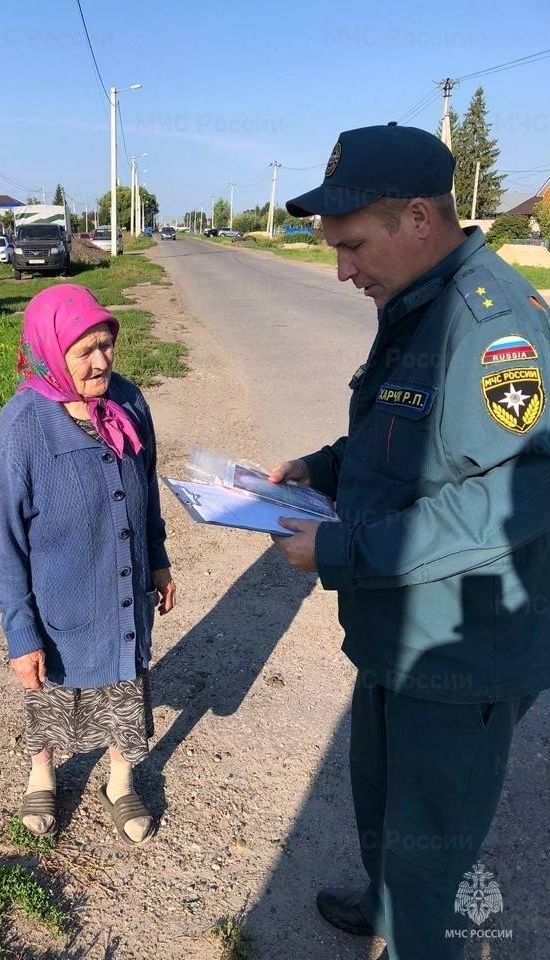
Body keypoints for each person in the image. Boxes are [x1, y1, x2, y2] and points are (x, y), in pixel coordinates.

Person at [270, 124, 550, 959]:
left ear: (420, 218)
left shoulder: (493, 330)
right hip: (401, 630)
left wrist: (346, 553)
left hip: (460, 649)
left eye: (353, 246)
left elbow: (512, 497)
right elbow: (405, 439)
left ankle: (417, 927)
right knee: (381, 799)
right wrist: (316, 469)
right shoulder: (416, 305)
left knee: (433, 846)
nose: (342, 269)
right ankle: (387, 906)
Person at [0, 284, 176, 845]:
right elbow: (3, 537)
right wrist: (20, 633)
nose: (101, 361)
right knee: (48, 691)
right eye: (84, 350)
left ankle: (120, 781)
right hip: (59, 600)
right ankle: (41, 773)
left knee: (124, 681)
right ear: (50, 352)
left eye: (107, 344)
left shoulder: (129, 402)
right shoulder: (24, 424)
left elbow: (147, 493)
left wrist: (159, 561)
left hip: (123, 588)